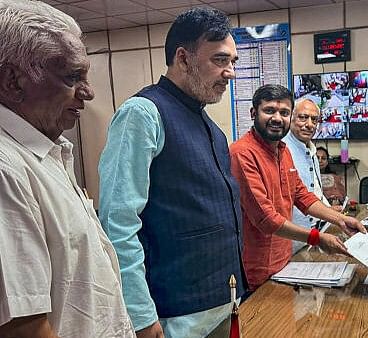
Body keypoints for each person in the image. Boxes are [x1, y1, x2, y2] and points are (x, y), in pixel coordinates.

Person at [98, 8, 244, 338]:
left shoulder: (210, 126)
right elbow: (118, 223)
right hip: (175, 312)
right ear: (183, 58)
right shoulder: (143, 113)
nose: (230, 72)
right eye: (220, 60)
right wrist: (140, 316)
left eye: (233, 61)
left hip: (223, 300)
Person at [0, 1, 134, 337]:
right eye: (72, 77)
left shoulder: (47, 150)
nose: (88, 92)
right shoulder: (6, 170)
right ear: (13, 81)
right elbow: (23, 328)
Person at [230, 84, 366, 290]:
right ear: (253, 113)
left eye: (284, 112)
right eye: (269, 110)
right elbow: (265, 219)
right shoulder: (242, 153)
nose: (277, 118)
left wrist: (340, 219)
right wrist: (317, 239)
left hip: (286, 259)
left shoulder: (282, 151)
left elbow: (302, 195)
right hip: (258, 267)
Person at [283, 98, 337, 254]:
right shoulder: (282, 149)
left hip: (315, 234)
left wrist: (330, 211)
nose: (309, 124)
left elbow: (314, 190)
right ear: (290, 118)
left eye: (314, 119)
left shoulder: (311, 150)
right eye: (303, 117)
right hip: (293, 239)